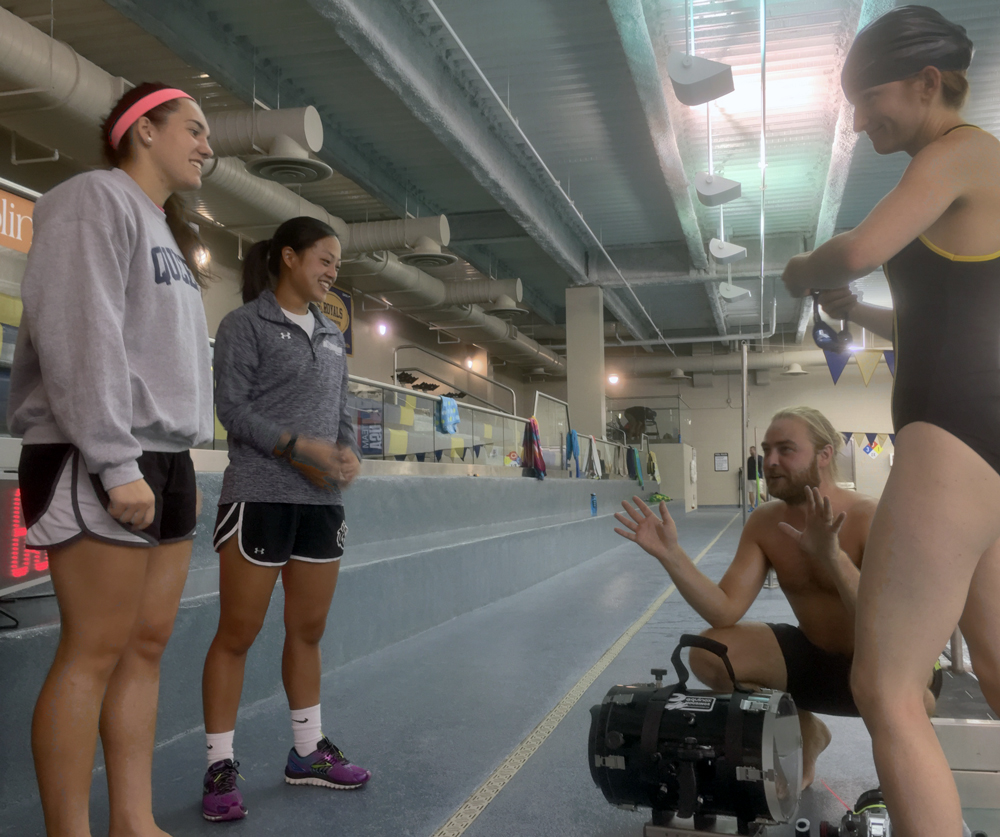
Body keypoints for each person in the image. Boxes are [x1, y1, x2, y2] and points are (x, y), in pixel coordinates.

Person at [780, 7, 1000, 835]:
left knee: (885, 686)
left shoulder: (961, 151)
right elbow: (927, 324)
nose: (863, 120)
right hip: (982, 432)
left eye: (872, 102)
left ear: (928, 84)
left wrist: (807, 271)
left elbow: (859, 247)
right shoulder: (963, 171)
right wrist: (856, 310)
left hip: (952, 434)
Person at [7, 83, 214, 836]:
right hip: (98, 452)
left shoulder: (165, 232)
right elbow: (77, 330)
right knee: (93, 648)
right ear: (142, 129)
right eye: (192, 129)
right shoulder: (92, 198)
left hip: (166, 454)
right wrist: (113, 458)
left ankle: (134, 819)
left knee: (145, 646)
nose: (205, 145)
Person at [614, 407, 940, 790]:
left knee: (916, 702)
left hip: (883, 667)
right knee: (708, 652)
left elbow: (889, 630)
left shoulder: (871, 517)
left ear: (824, 454)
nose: (769, 461)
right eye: (767, 450)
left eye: (786, 449)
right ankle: (807, 730)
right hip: (813, 658)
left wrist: (833, 558)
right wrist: (672, 555)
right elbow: (725, 609)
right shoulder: (765, 523)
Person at [200, 216, 370, 822]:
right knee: (237, 634)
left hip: (320, 505)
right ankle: (220, 765)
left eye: (336, 264)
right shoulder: (244, 324)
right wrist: (298, 446)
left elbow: (341, 408)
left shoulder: (329, 335)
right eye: (325, 260)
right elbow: (232, 412)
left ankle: (307, 753)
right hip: (259, 497)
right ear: (290, 258)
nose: (332, 272)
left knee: (308, 631)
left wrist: (345, 453)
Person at [746, 445, 765, 510]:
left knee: (760, 493)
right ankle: (752, 506)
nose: (750, 452)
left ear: (755, 450)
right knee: (750, 492)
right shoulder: (749, 459)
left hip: (758, 478)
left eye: (751, 450)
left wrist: (755, 457)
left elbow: (760, 464)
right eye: (750, 450)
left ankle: (769, 503)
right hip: (750, 477)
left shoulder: (760, 457)